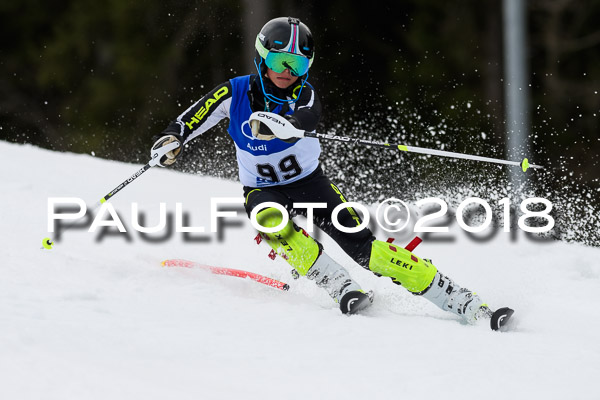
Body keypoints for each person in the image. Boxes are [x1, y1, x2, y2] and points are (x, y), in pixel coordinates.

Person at [151, 16, 511, 327]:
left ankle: (459, 299)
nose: (286, 73)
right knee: (271, 220)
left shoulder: (304, 95)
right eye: (278, 61)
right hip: (261, 187)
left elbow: (309, 114)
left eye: (297, 65)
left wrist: (288, 123)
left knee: (367, 250)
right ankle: (338, 283)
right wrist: (172, 139)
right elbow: (192, 118)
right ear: (262, 58)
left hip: (311, 184)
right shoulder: (235, 92)